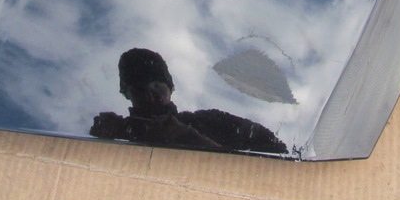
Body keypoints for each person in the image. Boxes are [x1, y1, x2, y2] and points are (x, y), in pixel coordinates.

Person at [90, 48, 287, 155]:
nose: (149, 95)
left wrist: (190, 139)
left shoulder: (211, 122)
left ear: (170, 87)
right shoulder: (119, 135)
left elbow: (278, 158)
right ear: (127, 93)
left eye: (156, 85)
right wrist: (102, 142)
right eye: (138, 88)